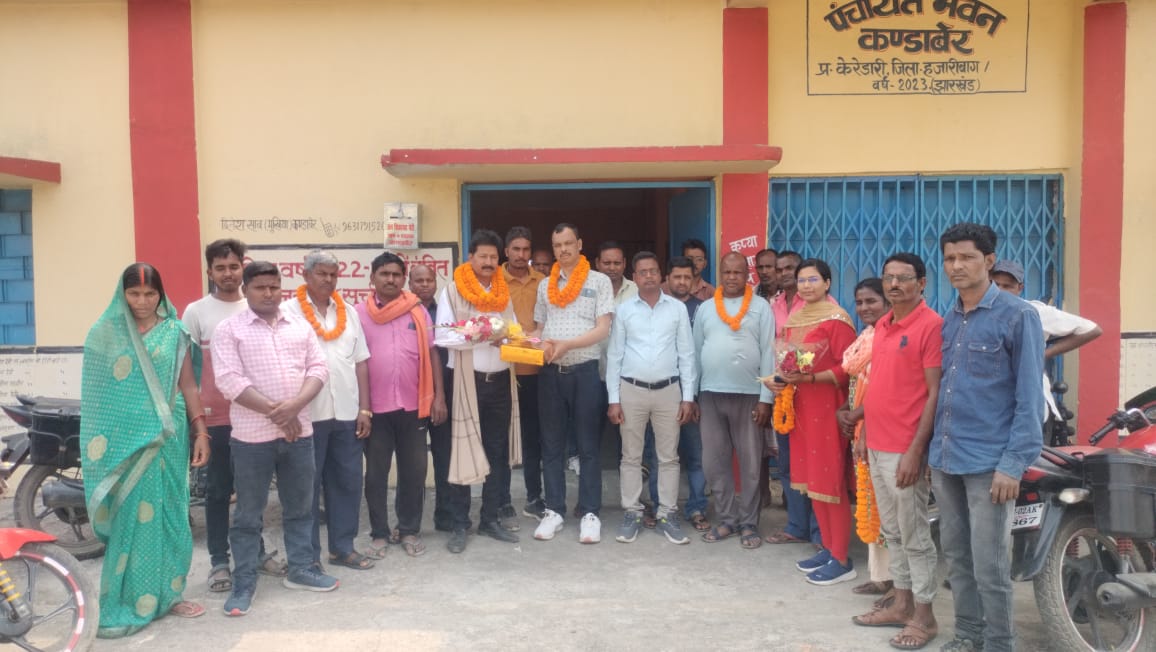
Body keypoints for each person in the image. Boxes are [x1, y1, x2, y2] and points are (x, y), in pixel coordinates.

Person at [81, 263, 211, 637]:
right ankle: (126, 599)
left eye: (150, 293)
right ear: (121, 295)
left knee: (171, 515)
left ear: (160, 294)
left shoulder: (175, 333)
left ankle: (169, 596)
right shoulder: (105, 335)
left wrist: (201, 432)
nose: (142, 301)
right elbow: (97, 397)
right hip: (127, 444)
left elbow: (188, 385)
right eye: (134, 293)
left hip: (169, 438)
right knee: (132, 521)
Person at [933, 223, 1044, 652]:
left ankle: (1000, 643)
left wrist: (1012, 465)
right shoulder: (950, 319)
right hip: (946, 457)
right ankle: (968, 634)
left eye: (966, 257)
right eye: (950, 258)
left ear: (989, 260)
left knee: (991, 565)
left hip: (990, 465)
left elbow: (1029, 398)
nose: (956, 266)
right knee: (956, 558)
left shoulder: (1018, 316)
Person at [213, 261, 336, 617]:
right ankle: (244, 582)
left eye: (274, 287)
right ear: (245, 290)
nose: (269, 293)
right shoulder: (229, 330)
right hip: (252, 439)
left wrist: (295, 407)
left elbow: (319, 368)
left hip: (299, 433)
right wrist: (278, 413)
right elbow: (229, 380)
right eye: (260, 287)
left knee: (300, 508)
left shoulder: (299, 324)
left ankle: (301, 569)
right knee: (248, 515)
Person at [849, 254, 943, 650]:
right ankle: (902, 603)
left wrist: (916, 451)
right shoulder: (884, 325)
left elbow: (934, 393)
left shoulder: (931, 326)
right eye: (889, 277)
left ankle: (925, 615)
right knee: (893, 532)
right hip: (877, 444)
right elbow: (880, 386)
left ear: (922, 283)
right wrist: (865, 432)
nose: (894, 285)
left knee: (915, 535)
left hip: (905, 449)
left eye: (904, 278)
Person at [183, 239, 284, 593]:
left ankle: (256, 552)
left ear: (244, 267)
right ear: (209, 271)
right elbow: (187, 374)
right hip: (216, 419)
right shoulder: (196, 312)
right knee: (217, 491)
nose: (228, 274)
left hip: (256, 417)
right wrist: (197, 422)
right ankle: (219, 562)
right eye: (220, 268)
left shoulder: (257, 306)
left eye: (234, 267)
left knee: (252, 492)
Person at [766, 258, 858, 585]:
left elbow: (848, 368)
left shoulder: (838, 319)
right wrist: (780, 378)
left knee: (830, 483)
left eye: (813, 279)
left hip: (828, 407)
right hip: (801, 407)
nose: (806, 285)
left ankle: (842, 558)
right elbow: (792, 361)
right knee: (812, 483)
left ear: (827, 283)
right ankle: (828, 549)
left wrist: (810, 378)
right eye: (802, 280)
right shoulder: (795, 319)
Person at [281, 251, 374, 571]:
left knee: (348, 483)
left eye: (333, 274)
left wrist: (365, 409)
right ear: (305, 275)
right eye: (322, 273)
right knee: (306, 489)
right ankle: (307, 557)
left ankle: (342, 548)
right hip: (307, 416)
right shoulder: (287, 313)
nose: (329, 280)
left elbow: (361, 362)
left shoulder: (349, 312)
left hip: (347, 413)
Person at [434, 229, 523, 552]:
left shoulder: (502, 291)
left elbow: (513, 329)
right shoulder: (453, 292)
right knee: (462, 450)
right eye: (482, 256)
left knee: (497, 453)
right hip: (466, 381)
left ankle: (490, 519)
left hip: (499, 381)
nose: (488, 262)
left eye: (492, 257)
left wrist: (510, 338)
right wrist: (480, 335)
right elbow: (442, 336)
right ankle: (460, 523)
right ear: (470, 257)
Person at [357, 252, 448, 558]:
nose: (391, 279)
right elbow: (354, 360)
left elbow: (432, 353)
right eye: (384, 274)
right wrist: (361, 408)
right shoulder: (358, 314)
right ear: (372, 278)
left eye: (396, 274)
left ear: (403, 278)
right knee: (376, 475)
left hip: (413, 406)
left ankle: (409, 529)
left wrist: (438, 396)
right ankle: (380, 533)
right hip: (375, 409)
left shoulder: (417, 311)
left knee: (414, 472)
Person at [531, 223, 614, 544]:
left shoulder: (599, 281)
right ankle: (554, 510)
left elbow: (603, 328)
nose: (563, 249)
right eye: (557, 245)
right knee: (551, 445)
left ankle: (590, 513)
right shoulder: (545, 285)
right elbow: (540, 328)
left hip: (586, 372)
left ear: (579, 244)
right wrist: (518, 340)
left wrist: (568, 345)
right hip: (551, 374)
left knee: (588, 445)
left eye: (568, 243)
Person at [607, 252, 697, 545]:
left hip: (669, 391)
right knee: (630, 456)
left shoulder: (676, 309)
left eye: (653, 271)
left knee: (669, 457)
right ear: (634, 277)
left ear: (662, 276)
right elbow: (615, 356)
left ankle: (667, 514)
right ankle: (632, 512)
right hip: (630, 390)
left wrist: (688, 397)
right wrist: (613, 399)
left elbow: (687, 355)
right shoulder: (624, 311)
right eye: (643, 272)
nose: (649, 276)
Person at [695, 252, 775, 549]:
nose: (731, 278)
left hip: (750, 395)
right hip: (710, 394)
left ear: (747, 275)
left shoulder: (761, 307)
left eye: (737, 273)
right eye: (726, 272)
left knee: (751, 463)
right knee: (714, 461)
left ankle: (749, 523)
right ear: (720, 273)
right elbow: (695, 351)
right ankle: (727, 519)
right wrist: (692, 396)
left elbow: (769, 351)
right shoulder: (706, 308)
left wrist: (765, 398)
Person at [990, 259, 1102, 433]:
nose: (1000, 291)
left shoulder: (1034, 312)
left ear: (1020, 288)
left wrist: (1043, 354)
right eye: (995, 284)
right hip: (992, 410)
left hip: (1027, 412)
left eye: (1007, 286)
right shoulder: (978, 313)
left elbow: (1092, 329)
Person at [835, 277, 893, 600]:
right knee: (870, 502)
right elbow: (858, 383)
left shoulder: (888, 337)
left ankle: (895, 583)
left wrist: (856, 416)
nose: (864, 307)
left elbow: (884, 390)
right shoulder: (867, 337)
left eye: (872, 301)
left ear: (887, 302)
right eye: (859, 302)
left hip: (881, 431)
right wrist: (846, 412)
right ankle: (880, 576)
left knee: (886, 508)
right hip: (861, 428)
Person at [642, 256, 709, 532]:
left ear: (694, 280)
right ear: (666, 279)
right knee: (660, 455)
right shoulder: (656, 309)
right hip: (660, 392)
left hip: (693, 394)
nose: (682, 282)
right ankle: (660, 507)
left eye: (687, 277)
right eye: (677, 277)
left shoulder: (703, 310)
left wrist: (694, 396)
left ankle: (696, 508)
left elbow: (703, 352)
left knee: (695, 455)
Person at [763, 248, 822, 550]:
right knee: (787, 463)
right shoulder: (772, 305)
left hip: (813, 392)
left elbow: (826, 346)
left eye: (791, 269)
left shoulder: (821, 304)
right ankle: (796, 526)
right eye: (780, 269)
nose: (784, 273)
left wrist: (799, 370)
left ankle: (820, 531)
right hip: (782, 395)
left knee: (814, 464)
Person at [411, 263, 461, 537]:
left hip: (445, 393)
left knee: (444, 455)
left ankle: (446, 514)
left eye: (429, 280)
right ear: (410, 284)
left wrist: (441, 396)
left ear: (435, 282)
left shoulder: (444, 312)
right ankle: (411, 521)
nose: (424, 285)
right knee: (414, 461)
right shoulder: (403, 312)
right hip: (412, 395)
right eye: (418, 281)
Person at [502, 227, 548, 521]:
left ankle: (534, 496)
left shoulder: (543, 282)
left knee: (533, 437)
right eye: (516, 249)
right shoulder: (493, 281)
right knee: (501, 438)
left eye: (526, 249)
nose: (521, 255)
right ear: (506, 251)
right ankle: (501, 499)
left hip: (535, 371)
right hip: (502, 370)